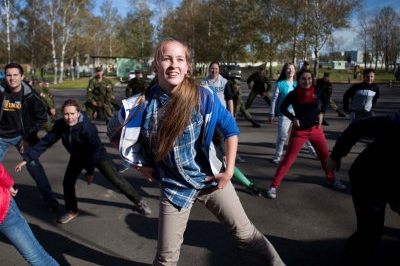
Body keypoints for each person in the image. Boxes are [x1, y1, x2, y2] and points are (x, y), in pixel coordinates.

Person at [107, 38, 285, 266]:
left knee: (246, 235)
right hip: (175, 188)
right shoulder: (140, 105)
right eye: (166, 59)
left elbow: (230, 129)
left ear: (187, 65)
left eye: (179, 59)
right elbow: (113, 133)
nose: (174, 65)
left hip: (211, 179)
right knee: (166, 259)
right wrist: (139, 166)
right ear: (155, 66)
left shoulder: (203, 96)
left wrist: (229, 172)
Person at [15, 99, 151, 224]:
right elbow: (46, 141)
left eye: (72, 114)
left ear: (78, 113)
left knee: (115, 179)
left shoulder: (87, 128)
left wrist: (90, 172)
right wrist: (28, 158)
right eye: (66, 114)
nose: (69, 117)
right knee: (67, 183)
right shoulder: (60, 125)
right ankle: (72, 210)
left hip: (97, 156)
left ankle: (139, 202)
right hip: (77, 156)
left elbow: (92, 152)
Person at [325, 113, 400, 265]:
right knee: (370, 232)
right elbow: (356, 127)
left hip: (394, 183)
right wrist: (336, 156)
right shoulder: (394, 122)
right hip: (368, 178)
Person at [266, 69, 346, 199]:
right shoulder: (294, 93)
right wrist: (292, 118)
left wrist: (322, 113)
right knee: (288, 160)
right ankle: (273, 186)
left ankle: (331, 180)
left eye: (309, 78)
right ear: (299, 79)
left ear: (312, 79)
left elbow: (326, 101)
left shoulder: (317, 90)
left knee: (325, 158)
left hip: (316, 130)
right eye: (303, 79)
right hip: (299, 132)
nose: (307, 81)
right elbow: (281, 108)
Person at [0, 63, 59, 212]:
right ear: (5, 76)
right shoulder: (0, 91)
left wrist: (27, 138)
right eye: (9, 75)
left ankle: (50, 199)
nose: (12, 78)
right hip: (1, 137)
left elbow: (40, 118)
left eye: (15, 75)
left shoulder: (31, 96)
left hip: (22, 137)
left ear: (22, 76)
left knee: (34, 167)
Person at [202, 61, 261, 195]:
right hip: (206, 123)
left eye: (216, 68)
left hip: (219, 120)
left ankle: (248, 183)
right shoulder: (204, 83)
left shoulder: (224, 82)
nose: (214, 71)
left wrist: (231, 115)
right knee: (210, 157)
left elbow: (230, 99)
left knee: (225, 159)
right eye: (212, 68)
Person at [0, 163, 59, 266]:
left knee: (37, 258)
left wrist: (8, 185)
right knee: (37, 258)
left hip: (4, 210)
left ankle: (51, 200)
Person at [268, 63, 317, 164]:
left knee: (307, 133)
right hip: (285, 113)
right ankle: (277, 156)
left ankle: (313, 151)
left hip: (299, 113)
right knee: (282, 136)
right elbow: (274, 100)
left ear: (295, 71)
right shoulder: (280, 84)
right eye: (288, 69)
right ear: (285, 71)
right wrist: (272, 113)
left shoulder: (297, 83)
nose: (290, 71)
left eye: (292, 69)